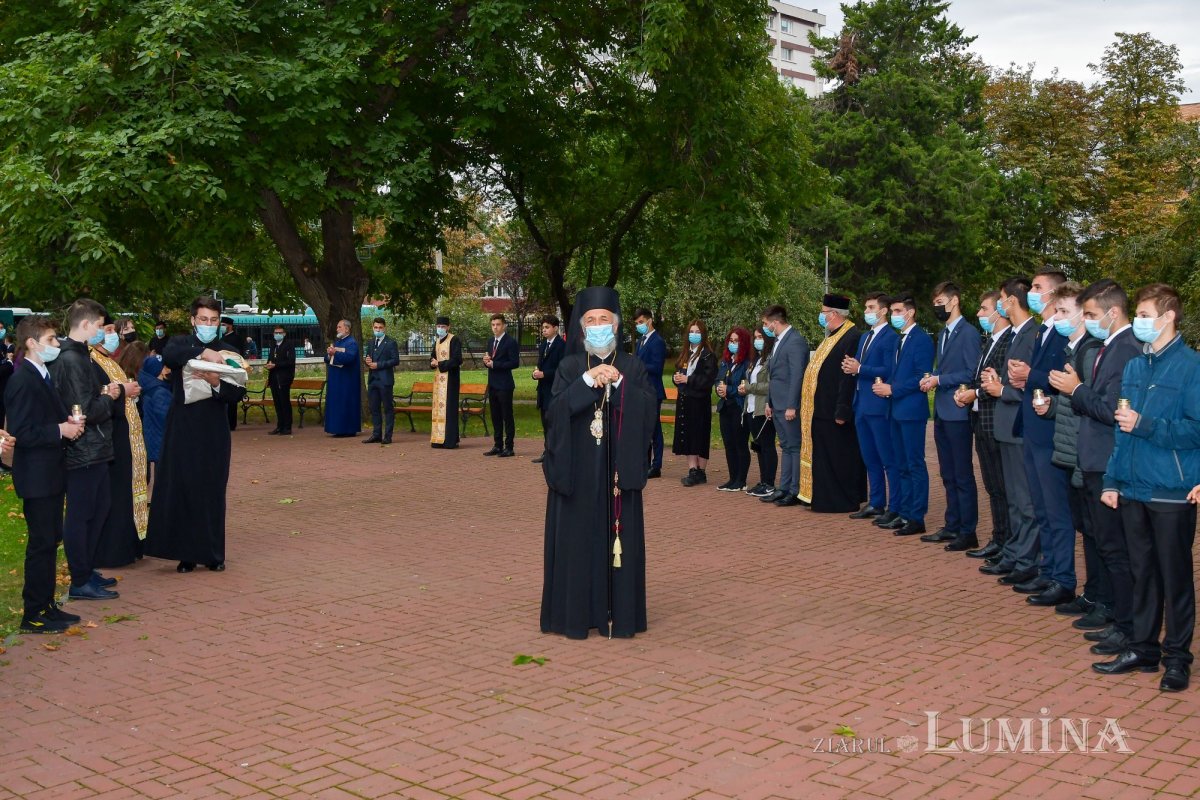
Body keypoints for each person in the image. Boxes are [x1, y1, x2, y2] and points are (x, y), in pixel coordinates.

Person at [1095, 283, 1199, 693]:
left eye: (1144, 314)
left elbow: (1195, 430)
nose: (1138, 321)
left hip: (1172, 490)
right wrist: (1112, 479)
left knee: (1174, 577)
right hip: (1134, 488)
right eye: (1137, 314)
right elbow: (1122, 430)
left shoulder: (1192, 367)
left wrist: (1147, 425)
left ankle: (1177, 658)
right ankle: (1143, 648)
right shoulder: (1136, 366)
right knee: (1142, 573)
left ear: (1169, 316)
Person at [540, 286, 656, 639]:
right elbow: (553, 414)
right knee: (578, 541)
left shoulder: (633, 367)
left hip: (616, 475)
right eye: (590, 321)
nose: (598, 325)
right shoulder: (569, 366)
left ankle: (619, 612)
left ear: (617, 326)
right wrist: (588, 382)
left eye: (604, 319)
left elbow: (649, 413)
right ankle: (574, 613)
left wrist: (619, 384)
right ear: (581, 329)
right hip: (578, 474)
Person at [1051, 279, 1140, 635]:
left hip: (1107, 461)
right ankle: (1117, 615)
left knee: (1116, 550)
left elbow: (1110, 409)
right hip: (1093, 458)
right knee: (1105, 543)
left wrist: (1077, 390)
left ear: (1113, 312)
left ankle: (1125, 624)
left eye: (1090, 314)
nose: (1086, 321)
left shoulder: (1125, 349)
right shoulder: (1109, 345)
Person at [144, 296, 248, 572]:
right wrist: (202, 355)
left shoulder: (228, 350)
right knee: (184, 487)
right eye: (203, 319)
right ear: (193, 320)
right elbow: (170, 357)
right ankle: (186, 554)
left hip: (213, 429)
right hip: (182, 427)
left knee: (212, 489)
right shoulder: (181, 344)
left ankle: (213, 554)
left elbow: (237, 392)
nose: (208, 324)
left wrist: (216, 382)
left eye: (213, 320)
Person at [7, 316, 85, 633]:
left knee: (51, 539)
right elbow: (23, 431)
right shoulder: (23, 379)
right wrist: (59, 429)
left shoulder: (41, 375)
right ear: (32, 343)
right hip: (36, 476)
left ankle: (46, 605)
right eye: (52, 339)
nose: (57, 344)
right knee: (41, 544)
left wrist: (65, 424)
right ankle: (33, 613)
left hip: (49, 473)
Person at [1037, 283, 1104, 623]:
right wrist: (1051, 406)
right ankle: (1093, 594)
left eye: (1064, 311)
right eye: (1057, 311)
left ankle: (1102, 600)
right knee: (1086, 527)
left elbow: (1092, 405)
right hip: (1070, 452)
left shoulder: (1090, 351)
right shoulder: (1073, 350)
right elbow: (1071, 406)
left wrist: (1070, 391)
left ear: (1081, 313)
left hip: (1085, 455)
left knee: (1096, 532)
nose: (1057, 318)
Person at [48, 299, 120, 601]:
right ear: (88, 324)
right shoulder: (72, 360)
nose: (104, 333)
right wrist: (111, 396)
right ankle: (79, 579)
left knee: (99, 509)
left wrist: (101, 394)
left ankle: (86, 568)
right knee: (81, 515)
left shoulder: (81, 356)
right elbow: (85, 409)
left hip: (95, 448)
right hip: (83, 450)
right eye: (101, 327)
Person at [1009, 270, 1072, 606]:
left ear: (1055, 293)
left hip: (1050, 431)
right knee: (1042, 508)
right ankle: (1048, 571)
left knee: (1055, 510)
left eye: (1037, 288)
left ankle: (1063, 578)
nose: (1031, 293)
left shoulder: (1062, 335)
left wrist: (1028, 375)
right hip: (1034, 428)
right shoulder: (1044, 332)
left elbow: (1060, 377)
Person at [979, 277, 1042, 587]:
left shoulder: (1032, 334)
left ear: (1011, 302)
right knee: (1015, 499)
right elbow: (1011, 379)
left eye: (1001, 299)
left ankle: (1027, 559)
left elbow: (1028, 387)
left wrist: (1000, 387)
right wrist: (997, 379)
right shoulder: (1018, 335)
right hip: (1006, 425)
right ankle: (1016, 552)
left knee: (1024, 499)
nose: (1000, 305)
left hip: (1019, 425)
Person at [919, 282, 981, 550]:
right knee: (947, 473)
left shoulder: (968, 333)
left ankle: (968, 531)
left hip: (957, 411)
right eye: (934, 302)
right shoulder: (943, 334)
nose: (937, 307)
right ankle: (952, 524)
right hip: (943, 412)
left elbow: (970, 373)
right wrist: (933, 379)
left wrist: (939, 379)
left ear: (955, 301)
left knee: (962, 473)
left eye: (941, 301)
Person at [953, 291, 1011, 561]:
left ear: (999, 311)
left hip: (996, 421)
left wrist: (975, 394)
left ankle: (1007, 542)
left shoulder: (1009, 341)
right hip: (981, 421)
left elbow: (998, 383)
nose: (978, 313)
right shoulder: (990, 341)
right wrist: (968, 393)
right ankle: (999, 539)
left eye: (983, 308)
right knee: (993, 486)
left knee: (1002, 485)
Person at [872, 294, 933, 535]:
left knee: (914, 463)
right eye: (893, 311)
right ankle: (904, 512)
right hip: (895, 410)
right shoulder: (900, 340)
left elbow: (921, 375)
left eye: (897, 311)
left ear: (910, 313)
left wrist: (893, 389)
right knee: (900, 464)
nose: (894, 316)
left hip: (911, 411)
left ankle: (917, 517)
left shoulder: (922, 340)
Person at [799, 294, 865, 512]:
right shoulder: (830, 337)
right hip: (820, 409)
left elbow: (847, 377)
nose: (821, 316)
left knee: (839, 456)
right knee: (824, 456)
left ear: (835, 314)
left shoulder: (852, 336)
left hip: (835, 410)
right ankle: (823, 497)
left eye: (824, 312)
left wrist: (842, 409)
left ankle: (841, 500)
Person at [91, 317, 147, 569]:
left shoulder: (106, 360)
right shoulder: (90, 360)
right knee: (114, 495)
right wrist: (124, 390)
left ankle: (130, 545)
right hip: (110, 437)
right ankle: (113, 551)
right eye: (110, 330)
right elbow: (91, 395)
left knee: (127, 492)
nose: (114, 336)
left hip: (124, 436)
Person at [843, 292, 899, 521]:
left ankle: (894, 505)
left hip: (878, 404)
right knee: (869, 457)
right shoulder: (865, 336)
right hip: (861, 405)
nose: (867, 312)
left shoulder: (891, 337)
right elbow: (857, 365)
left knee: (887, 457)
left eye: (871, 307)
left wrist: (860, 369)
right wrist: (851, 367)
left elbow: (888, 370)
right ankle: (876, 502)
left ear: (884, 310)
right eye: (866, 308)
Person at [759, 305, 809, 506]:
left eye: (765, 323)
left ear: (775, 322)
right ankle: (784, 487)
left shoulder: (795, 341)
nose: (764, 327)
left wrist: (792, 405)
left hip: (788, 404)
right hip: (777, 403)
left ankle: (794, 490)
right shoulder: (779, 341)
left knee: (794, 446)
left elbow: (797, 375)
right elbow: (775, 375)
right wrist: (769, 402)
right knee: (786, 446)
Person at [672, 320, 717, 486]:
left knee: (700, 435)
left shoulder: (708, 355)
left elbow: (707, 380)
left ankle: (701, 471)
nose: (694, 335)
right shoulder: (685, 353)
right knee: (688, 435)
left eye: (698, 332)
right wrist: (676, 378)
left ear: (703, 334)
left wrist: (688, 379)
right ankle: (692, 469)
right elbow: (678, 372)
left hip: (700, 402)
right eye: (692, 331)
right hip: (685, 400)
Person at [715, 327, 752, 492]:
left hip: (738, 406)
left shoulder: (747, 363)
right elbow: (718, 378)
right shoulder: (726, 360)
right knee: (728, 443)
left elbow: (744, 386)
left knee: (740, 443)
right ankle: (732, 478)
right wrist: (718, 388)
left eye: (736, 341)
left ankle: (741, 480)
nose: (733, 344)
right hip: (725, 407)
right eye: (731, 341)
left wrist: (728, 390)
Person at [633, 309, 667, 478]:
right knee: (643, 427)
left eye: (641, 322)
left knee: (654, 428)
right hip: (641, 390)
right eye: (637, 324)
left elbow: (657, 367)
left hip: (653, 390)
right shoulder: (641, 341)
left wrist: (638, 365)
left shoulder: (657, 341)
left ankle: (656, 465)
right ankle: (644, 462)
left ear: (649, 321)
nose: (639, 326)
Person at [483, 314, 519, 456]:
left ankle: (509, 447)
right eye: (493, 325)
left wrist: (495, 364)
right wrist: (486, 361)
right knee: (495, 416)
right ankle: (497, 445)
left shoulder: (510, 342)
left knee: (507, 416)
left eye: (498, 324)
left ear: (504, 325)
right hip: (492, 383)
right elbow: (489, 360)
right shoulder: (491, 341)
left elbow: (514, 363)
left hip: (505, 384)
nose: (495, 327)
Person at [137, 354, 172, 499]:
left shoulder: (151, 388)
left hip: (154, 437)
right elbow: (167, 417)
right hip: (161, 440)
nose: (168, 370)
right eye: (164, 367)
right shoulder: (160, 392)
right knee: (164, 479)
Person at [363, 317, 399, 444]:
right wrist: (367, 361)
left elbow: (395, 360)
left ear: (384, 328)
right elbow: (368, 357)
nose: (378, 330)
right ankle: (376, 434)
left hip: (385, 380)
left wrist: (378, 365)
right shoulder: (371, 342)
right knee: (374, 408)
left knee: (388, 408)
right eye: (376, 327)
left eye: (380, 327)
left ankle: (388, 436)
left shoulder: (390, 343)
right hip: (373, 379)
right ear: (373, 328)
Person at [532, 315, 563, 463]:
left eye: (547, 327)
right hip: (543, 390)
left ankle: (556, 453)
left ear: (555, 328)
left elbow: (561, 369)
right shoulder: (543, 345)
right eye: (542, 327)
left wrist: (544, 374)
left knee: (554, 423)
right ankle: (547, 451)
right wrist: (535, 373)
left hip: (555, 390)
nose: (543, 330)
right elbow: (540, 365)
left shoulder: (561, 345)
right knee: (545, 422)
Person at [323, 319, 361, 438]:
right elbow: (327, 358)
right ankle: (337, 429)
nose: (337, 329)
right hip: (336, 379)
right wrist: (329, 353)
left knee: (346, 403)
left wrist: (335, 354)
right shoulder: (338, 342)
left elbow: (349, 358)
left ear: (347, 329)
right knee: (336, 403)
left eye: (339, 327)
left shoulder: (351, 343)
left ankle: (348, 429)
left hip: (347, 380)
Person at [430, 316, 464, 449]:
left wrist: (440, 363)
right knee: (438, 409)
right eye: (438, 326)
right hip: (439, 380)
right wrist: (433, 363)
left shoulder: (454, 340)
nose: (440, 329)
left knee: (449, 409)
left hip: (451, 380)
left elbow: (457, 359)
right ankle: (437, 439)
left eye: (443, 326)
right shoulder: (437, 341)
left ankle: (450, 440)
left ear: (448, 327)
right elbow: (433, 356)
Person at [265, 325, 296, 435]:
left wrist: (276, 365)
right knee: (277, 403)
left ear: (284, 334)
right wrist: (268, 364)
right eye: (275, 333)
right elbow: (270, 358)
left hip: (284, 378)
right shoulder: (273, 345)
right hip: (274, 378)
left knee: (284, 402)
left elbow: (291, 361)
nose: (277, 335)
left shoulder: (289, 345)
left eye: (279, 332)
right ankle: (280, 425)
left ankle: (287, 427)